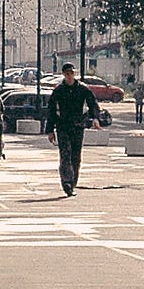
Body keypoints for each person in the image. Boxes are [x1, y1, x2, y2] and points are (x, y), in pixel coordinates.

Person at [48, 65, 99, 196]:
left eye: (71, 73)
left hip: (78, 125)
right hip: (63, 126)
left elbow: (92, 103)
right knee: (65, 154)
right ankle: (67, 183)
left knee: (75, 156)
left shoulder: (82, 88)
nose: (69, 76)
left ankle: (73, 183)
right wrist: (50, 130)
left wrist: (95, 118)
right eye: (67, 73)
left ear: (74, 73)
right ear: (63, 74)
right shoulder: (59, 90)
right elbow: (51, 110)